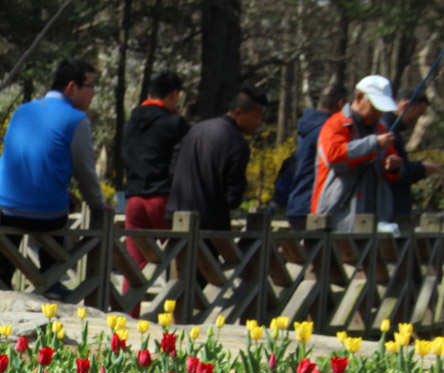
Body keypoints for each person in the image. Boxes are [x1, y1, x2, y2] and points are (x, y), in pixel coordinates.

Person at [0, 58, 108, 295]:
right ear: (72, 87)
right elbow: (85, 172)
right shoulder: (76, 120)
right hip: (44, 214)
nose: (93, 93)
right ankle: (51, 284)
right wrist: (97, 206)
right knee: (56, 236)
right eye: (90, 86)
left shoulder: (23, 110)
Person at [121, 70, 190, 311]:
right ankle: (176, 316)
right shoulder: (175, 123)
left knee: (134, 266)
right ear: (173, 95)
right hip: (163, 198)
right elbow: (183, 161)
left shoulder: (132, 122)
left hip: (134, 198)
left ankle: (128, 317)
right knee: (179, 258)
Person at [311, 75, 404, 231]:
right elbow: (334, 157)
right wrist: (372, 144)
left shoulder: (381, 129)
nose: (378, 113)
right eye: (375, 107)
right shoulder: (336, 124)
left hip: (373, 219)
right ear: (359, 97)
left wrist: (393, 166)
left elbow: (392, 170)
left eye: (382, 109)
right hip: (332, 220)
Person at [169, 86, 267, 232]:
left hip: (177, 216)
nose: (258, 123)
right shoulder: (237, 143)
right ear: (239, 112)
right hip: (211, 225)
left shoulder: (196, 130)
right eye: (256, 116)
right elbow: (233, 192)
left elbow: (173, 167)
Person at [285, 85, 347, 229]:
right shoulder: (328, 130)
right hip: (315, 207)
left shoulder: (306, 127)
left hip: (297, 203)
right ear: (340, 104)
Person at [383, 95, 439, 226]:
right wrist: (421, 169)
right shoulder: (387, 131)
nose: (417, 120)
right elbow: (395, 171)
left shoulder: (392, 130)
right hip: (390, 208)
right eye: (418, 114)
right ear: (405, 106)